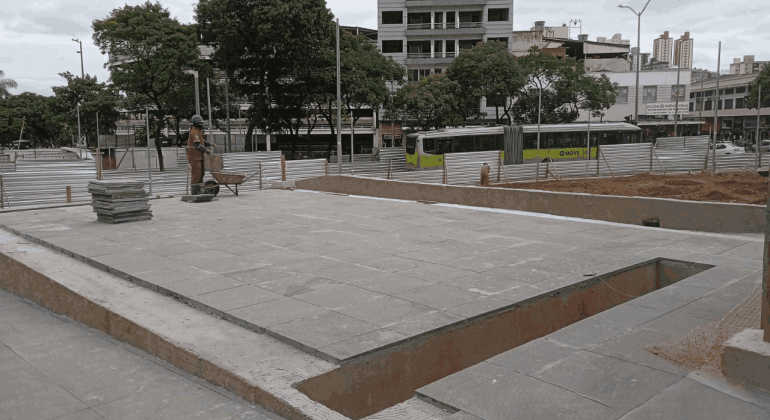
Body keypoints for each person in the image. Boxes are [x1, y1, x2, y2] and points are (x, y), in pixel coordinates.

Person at [187, 115, 212, 195]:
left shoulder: (198, 131)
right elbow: (197, 145)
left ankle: (200, 190)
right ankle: (195, 192)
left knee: (201, 173)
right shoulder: (194, 132)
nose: (201, 125)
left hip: (199, 157)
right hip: (194, 157)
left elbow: (202, 141)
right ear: (196, 123)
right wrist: (206, 150)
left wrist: (210, 144)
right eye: (200, 123)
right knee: (196, 174)